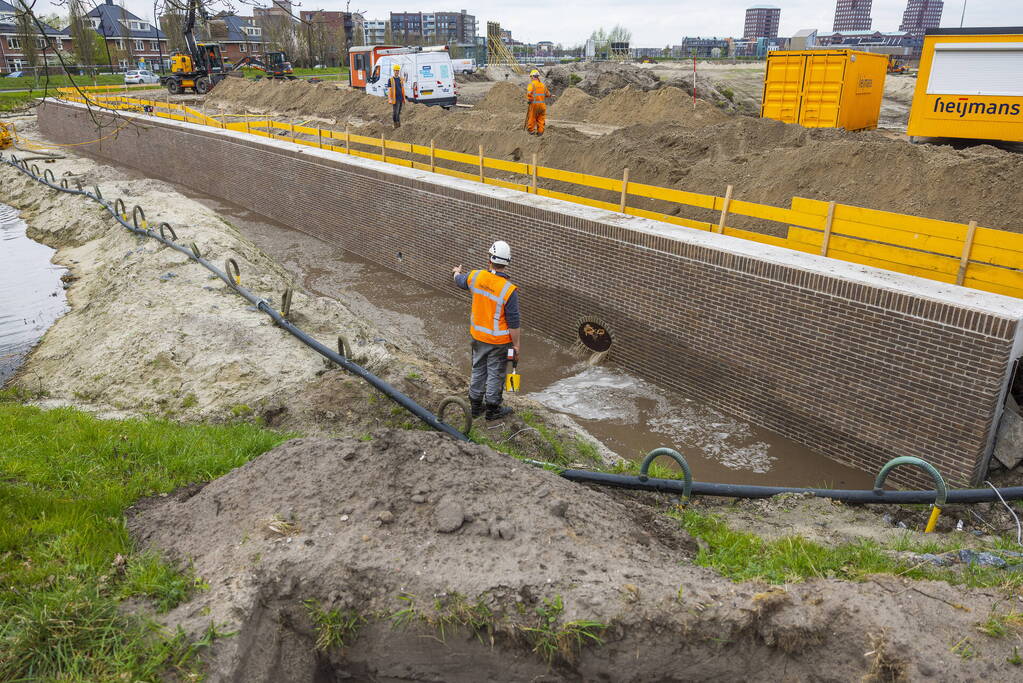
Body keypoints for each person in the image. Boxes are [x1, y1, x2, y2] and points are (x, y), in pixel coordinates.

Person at [451, 241, 521, 421]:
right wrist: (517, 345)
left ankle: (474, 407)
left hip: (478, 337)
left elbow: (459, 281)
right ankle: (492, 410)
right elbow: (514, 322)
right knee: (496, 373)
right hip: (498, 343)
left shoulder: (476, 277)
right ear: (507, 262)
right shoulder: (508, 290)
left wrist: (457, 272)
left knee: (478, 369)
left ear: (489, 259)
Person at [525, 69, 550, 136]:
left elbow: (529, 93)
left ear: (533, 76)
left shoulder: (531, 85)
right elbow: (547, 94)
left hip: (534, 105)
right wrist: (550, 95)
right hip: (542, 105)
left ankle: (531, 131)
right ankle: (540, 133)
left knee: (532, 117)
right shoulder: (543, 85)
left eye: (531, 77)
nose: (530, 78)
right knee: (541, 119)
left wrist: (529, 100)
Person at [387, 64, 405, 129]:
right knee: (395, 112)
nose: (396, 72)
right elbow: (389, 90)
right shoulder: (391, 80)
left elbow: (402, 88)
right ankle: (395, 124)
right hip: (395, 98)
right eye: (395, 70)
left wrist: (403, 98)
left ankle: (398, 125)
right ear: (393, 71)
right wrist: (390, 99)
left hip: (400, 98)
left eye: (397, 70)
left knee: (399, 112)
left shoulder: (400, 79)